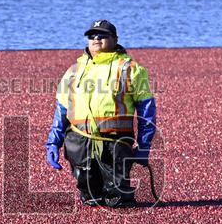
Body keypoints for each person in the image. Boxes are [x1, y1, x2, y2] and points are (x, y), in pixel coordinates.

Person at [45, 19, 157, 207]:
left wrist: (144, 146)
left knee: (118, 199)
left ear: (115, 39)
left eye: (102, 34)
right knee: (90, 198)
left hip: (115, 144)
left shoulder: (130, 69)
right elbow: (62, 109)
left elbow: (147, 112)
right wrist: (53, 143)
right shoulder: (74, 70)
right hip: (80, 143)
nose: (96, 38)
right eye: (92, 35)